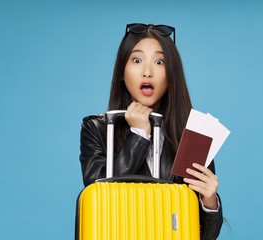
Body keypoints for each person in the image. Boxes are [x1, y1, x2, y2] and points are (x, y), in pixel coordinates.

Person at [79, 23, 223, 239]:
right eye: (137, 60)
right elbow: (101, 200)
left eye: (159, 62)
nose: (147, 72)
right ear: (121, 72)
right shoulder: (98, 128)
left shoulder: (193, 135)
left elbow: (203, 237)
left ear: (171, 73)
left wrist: (209, 201)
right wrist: (139, 135)